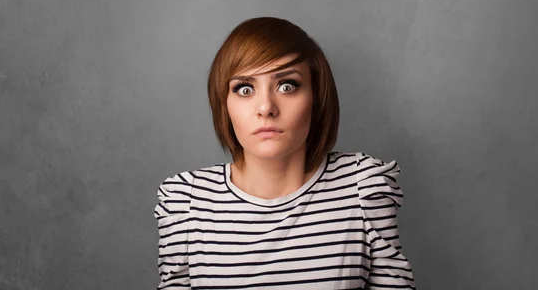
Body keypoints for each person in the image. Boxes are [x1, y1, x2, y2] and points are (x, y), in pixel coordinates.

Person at [154, 16, 416, 289]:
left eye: (287, 85)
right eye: (245, 89)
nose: (266, 107)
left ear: (317, 96)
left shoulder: (363, 186)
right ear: (224, 104)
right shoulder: (185, 201)